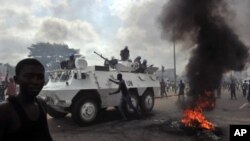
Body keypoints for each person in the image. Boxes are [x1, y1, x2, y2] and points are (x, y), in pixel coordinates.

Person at [0, 58, 53, 141]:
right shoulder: (5, 110)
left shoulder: (42, 104)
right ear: (16, 80)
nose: (35, 82)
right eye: (29, 77)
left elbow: (46, 136)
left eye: (40, 77)